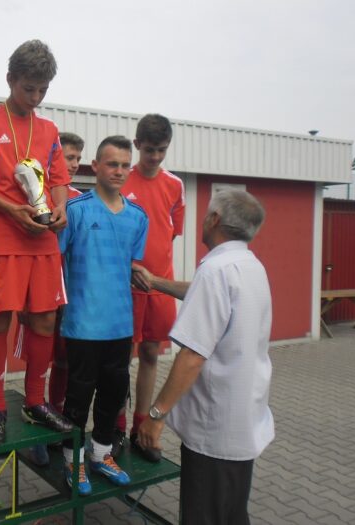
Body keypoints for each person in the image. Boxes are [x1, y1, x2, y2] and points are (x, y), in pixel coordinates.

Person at [136, 189, 274, 524]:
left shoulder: (216, 271)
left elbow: (192, 356)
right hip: (244, 416)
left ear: (213, 220)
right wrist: (156, 282)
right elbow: (202, 292)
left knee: (205, 514)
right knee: (231, 511)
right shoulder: (250, 266)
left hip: (215, 426)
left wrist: (156, 415)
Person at [0, 39, 74, 446]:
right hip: (3, 237)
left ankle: (34, 401)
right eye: (29, 88)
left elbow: (59, 179)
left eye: (43, 89)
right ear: (10, 79)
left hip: (43, 241)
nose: (36, 97)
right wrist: (12, 210)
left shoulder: (49, 130)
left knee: (44, 321)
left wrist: (60, 208)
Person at [58, 136, 148, 496]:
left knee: (113, 394)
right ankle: (73, 458)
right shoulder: (75, 211)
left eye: (125, 165)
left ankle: (101, 454)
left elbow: (132, 267)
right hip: (82, 323)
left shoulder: (138, 217)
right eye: (112, 164)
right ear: (95, 167)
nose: (119, 171)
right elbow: (55, 262)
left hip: (119, 325)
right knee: (78, 397)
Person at [114, 113, 185, 462]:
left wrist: (155, 274)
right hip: (124, 287)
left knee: (151, 355)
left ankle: (141, 429)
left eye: (162, 150)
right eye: (149, 150)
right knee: (119, 358)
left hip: (160, 288)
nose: (155, 157)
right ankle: (114, 428)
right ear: (137, 145)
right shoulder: (122, 179)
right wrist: (129, 266)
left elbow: (170, 234)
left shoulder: (175, 185)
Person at [17, 132, 84, 466]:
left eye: (76, 158)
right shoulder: (35, 194)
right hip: (40, 290)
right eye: (67, 157)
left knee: (65, 361)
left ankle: (56, 419)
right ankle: (36, 418)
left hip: (71, 294)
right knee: (39, 357)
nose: (73, 164)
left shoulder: (81, 200)